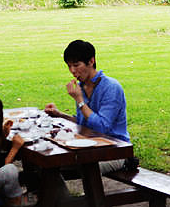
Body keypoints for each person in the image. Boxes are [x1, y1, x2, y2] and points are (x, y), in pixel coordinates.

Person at [44, 40, 129, 174]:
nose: (72, 71)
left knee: (80, 170)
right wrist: (59, 114)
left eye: (76, 65)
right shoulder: (82, 86)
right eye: (69, 66)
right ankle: (63, 196)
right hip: (89, 148)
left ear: (91, 61)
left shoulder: (111, 87)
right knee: (48, 167)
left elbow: (102, 127)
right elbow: (84, 122)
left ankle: (93, 195)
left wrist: (79, 100)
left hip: (114, 150)